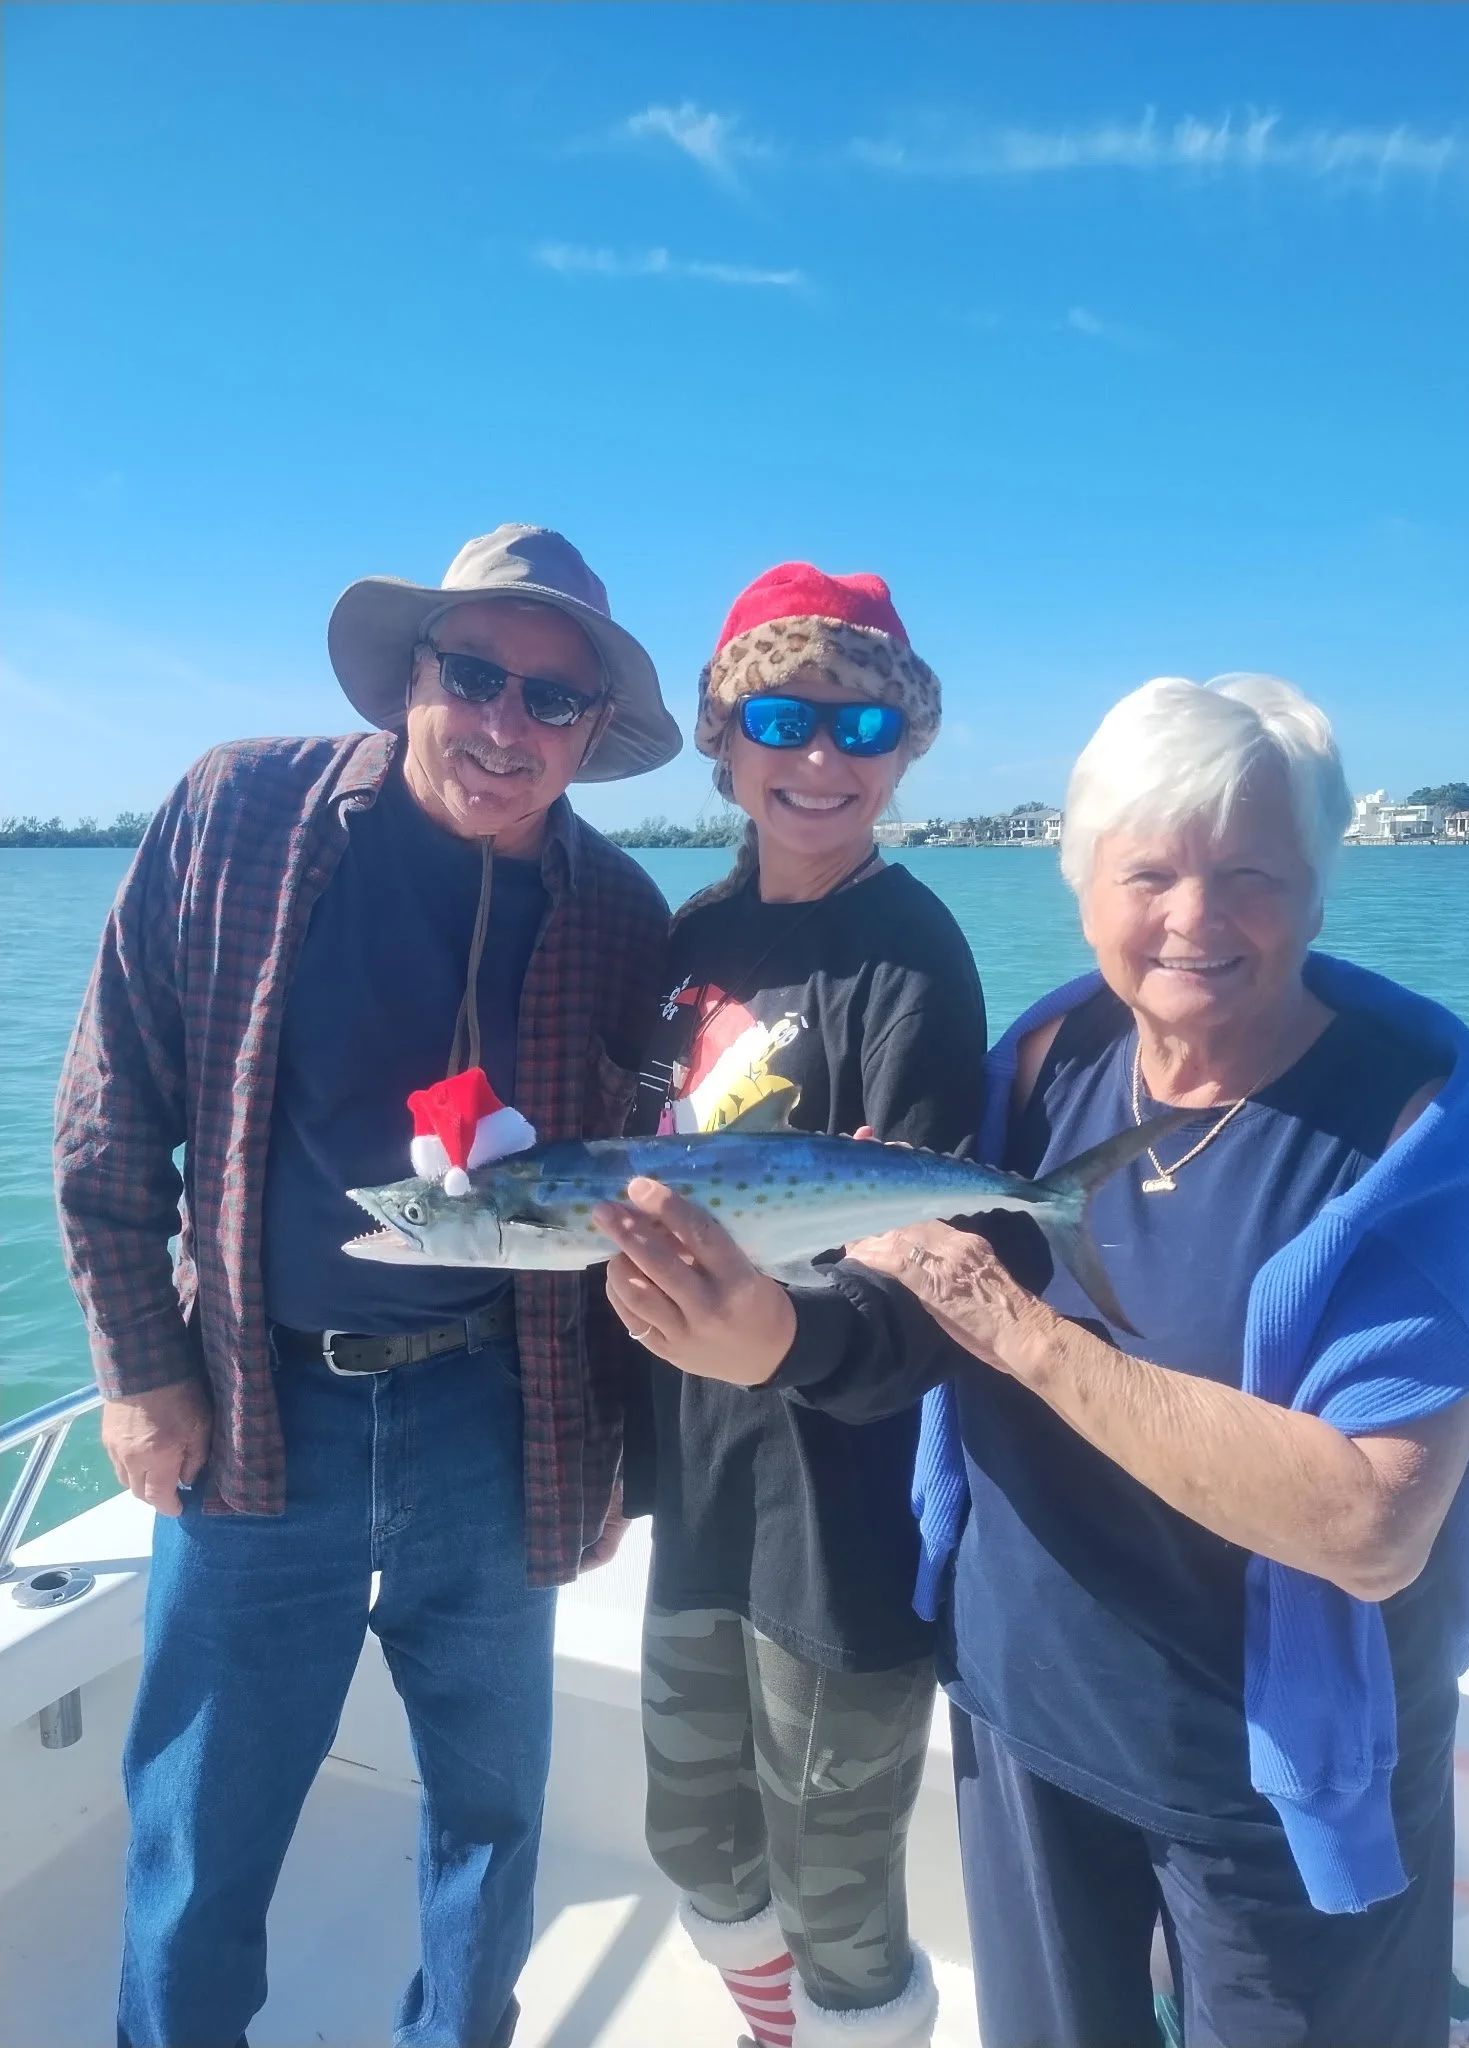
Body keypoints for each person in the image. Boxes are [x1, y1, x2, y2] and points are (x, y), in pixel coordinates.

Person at [596, 674, 1469, 2048]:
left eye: (1252, 875)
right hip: (1026, 1725)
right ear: (1081, 883)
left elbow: (1372, 1522)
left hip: (1264, 1781)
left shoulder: (1397, 1114)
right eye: (1148, 872)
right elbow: (890, 1289)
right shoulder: (1042, 1058)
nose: (1195, 921)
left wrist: (1016, 1324)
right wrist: (784, 1315)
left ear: (1322, 888)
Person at [55, 524, 681, 2048]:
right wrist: (143, 1370)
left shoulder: (619, 914)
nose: (505, 727)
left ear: (593, 737)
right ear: (415, 675)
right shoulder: (237, 813)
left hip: (500, 1415)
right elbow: (109, 1103)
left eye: (553, 703)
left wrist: (604, 1449)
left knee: (492, 1822)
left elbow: (627, 1208)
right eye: (478, 676)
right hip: (258, 1414)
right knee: (200, 1840)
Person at [622, 563, 987, 2047]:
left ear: (907, 750)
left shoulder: (916, 958)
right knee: (695, 1846)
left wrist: (787, 1336)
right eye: (784, 717)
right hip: (698, 1488)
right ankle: (770, 2028)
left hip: (841, 1513)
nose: (823, 759)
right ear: (725, 740)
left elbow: (934, 1265)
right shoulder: (691, 939)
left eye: (866, 726)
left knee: (839, 1898)